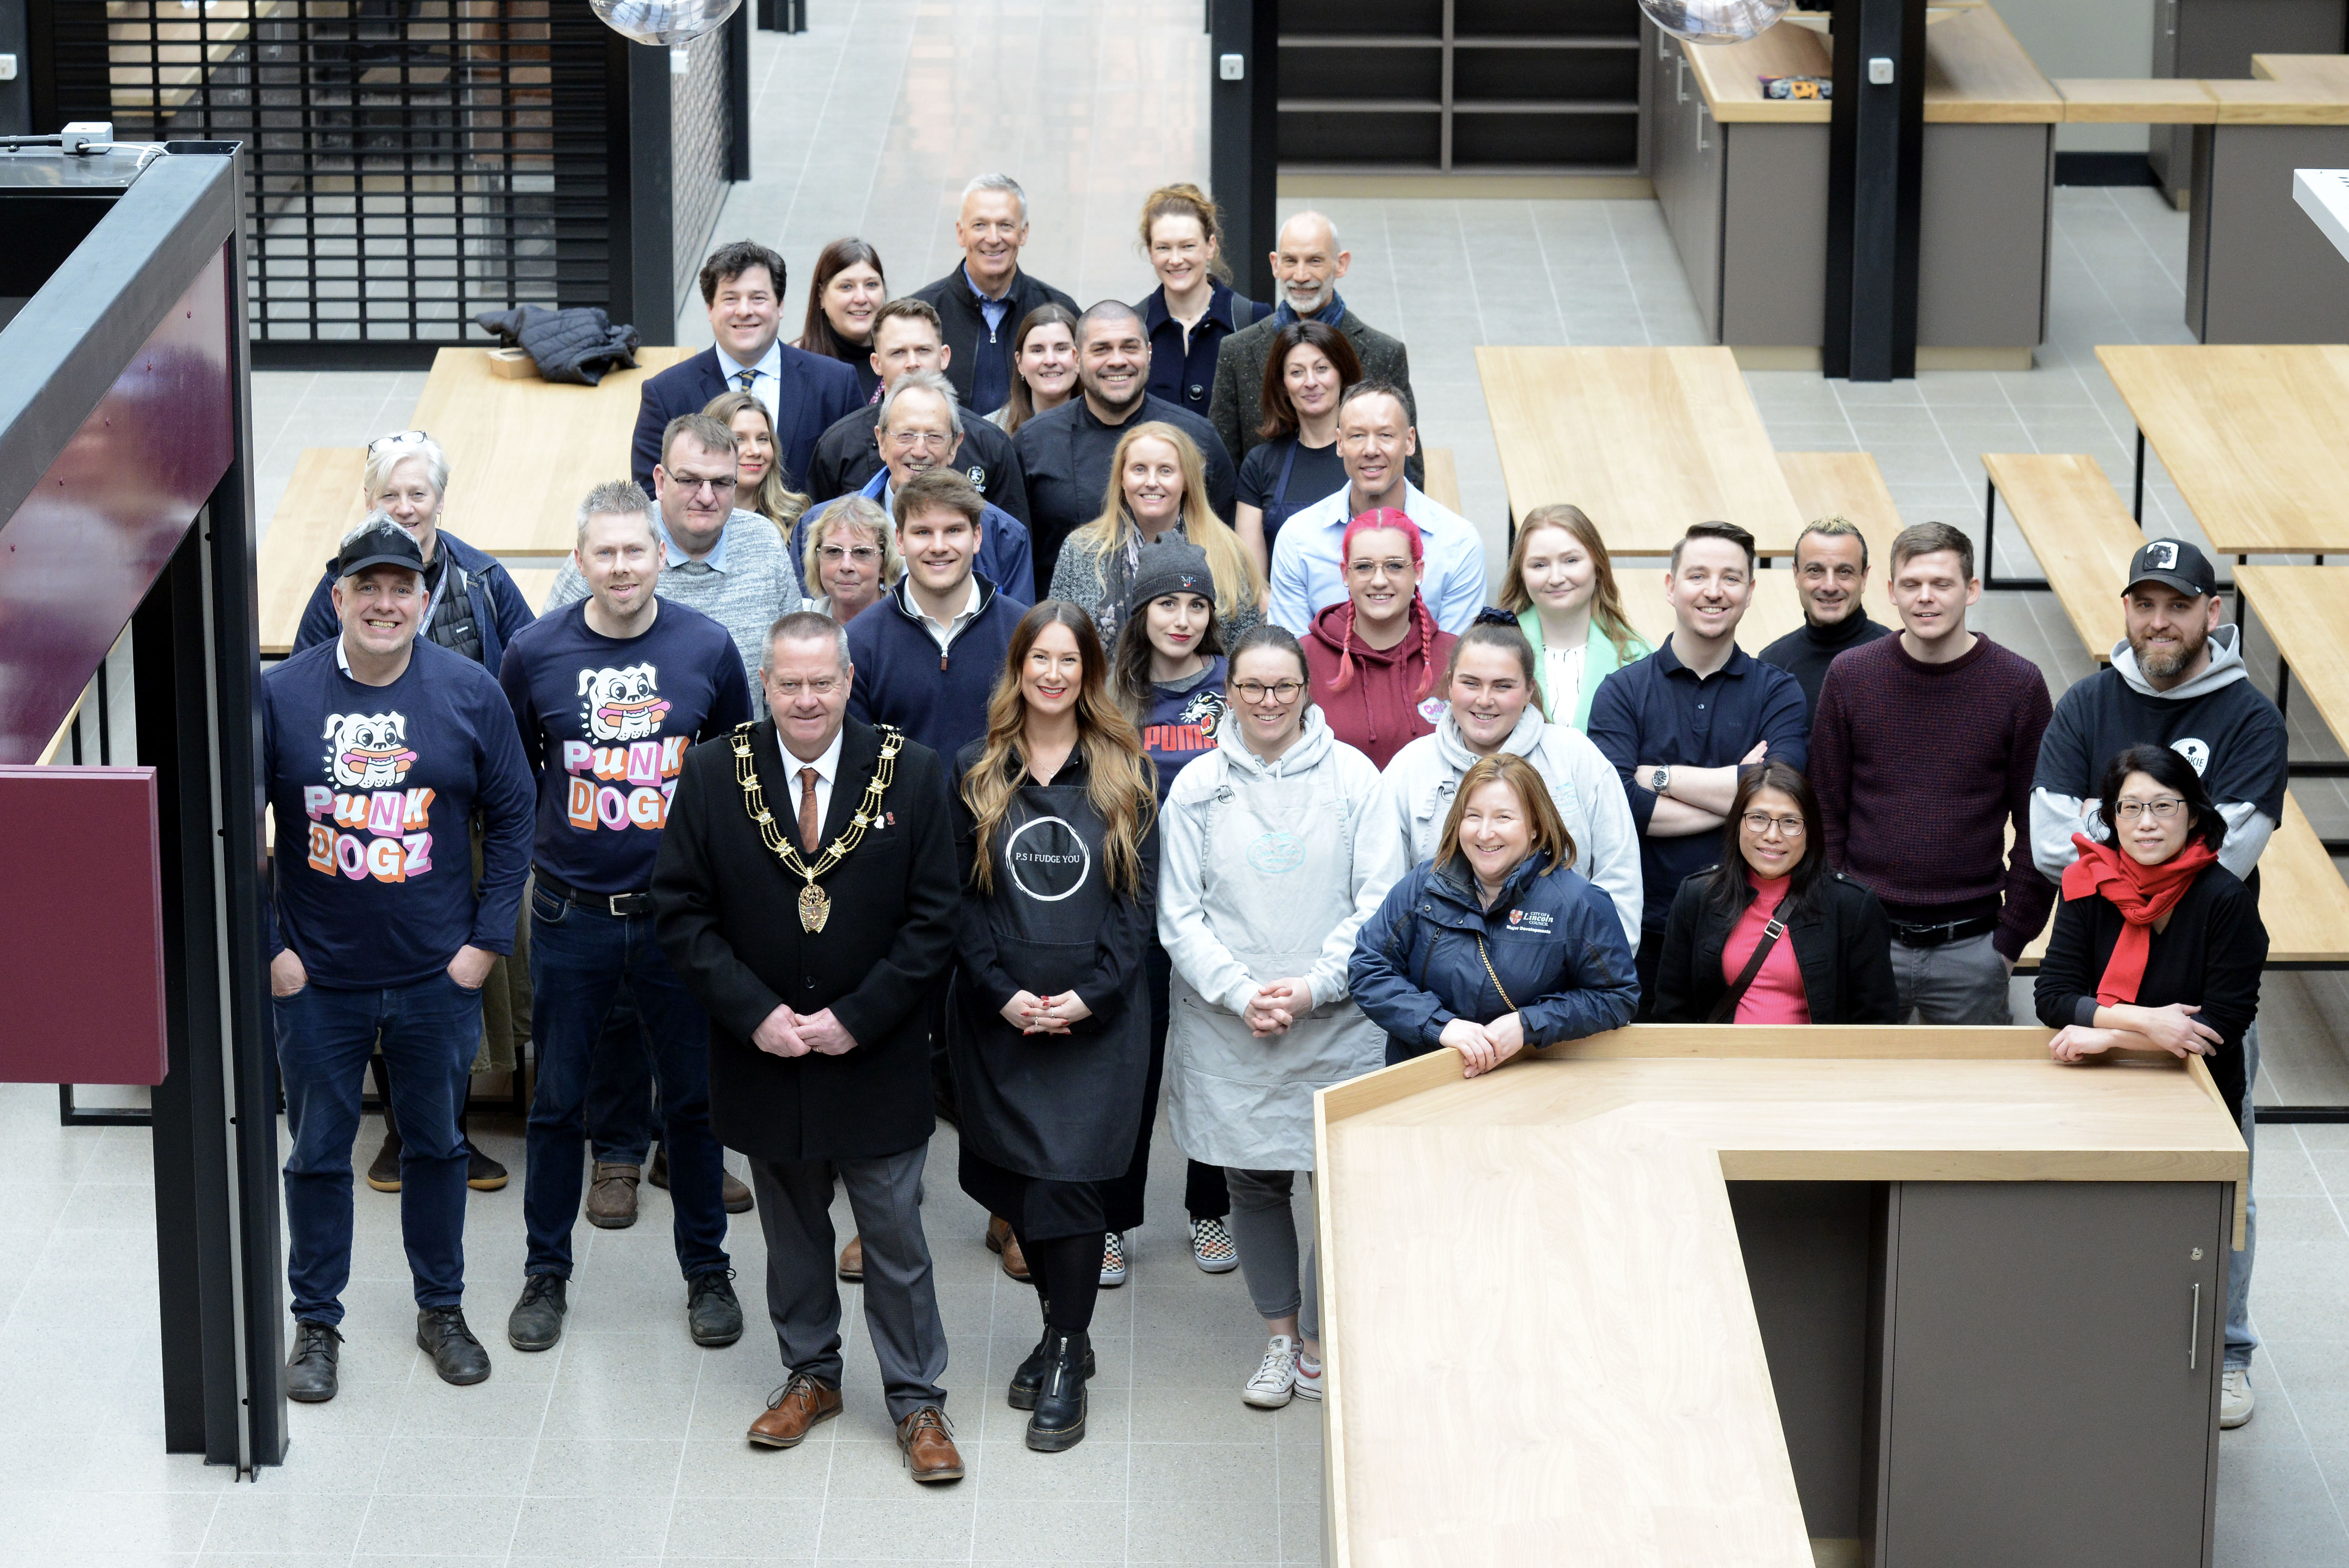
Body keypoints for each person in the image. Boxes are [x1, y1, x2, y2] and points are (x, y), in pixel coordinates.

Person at [652, 611, 966, 1483]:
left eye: (820, 682)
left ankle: (915, 1398)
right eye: (788, 683)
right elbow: (680, 909)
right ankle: (811, 1376)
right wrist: (754, 1012)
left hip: (876, 1053)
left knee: (894, 1234)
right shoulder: (716, 772)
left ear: (848, 680)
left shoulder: (913, 769)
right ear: (764, 681)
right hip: (765, 1054)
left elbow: (935, 915)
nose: (805, 698)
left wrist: (857, 1016)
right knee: (791, 1234)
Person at [267, 519, 534, 1402]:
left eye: (401, 588)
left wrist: (482, 947)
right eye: (366, 588)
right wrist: (273, 947)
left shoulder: (468, 692)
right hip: (318, 984)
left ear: (424, 600)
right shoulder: (281, 696)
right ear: (337, 597)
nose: (385, 603)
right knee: (316, 1155)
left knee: (436, 1147)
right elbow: (228, 826)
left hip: (435, 981)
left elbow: (514, 820)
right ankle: (315, 1323)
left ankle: (442, 1308)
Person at [2028, 537, 2285, 1430]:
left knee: (2223, 1175)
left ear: (2211, 614)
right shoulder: (2087, 700)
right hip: (2101, 985)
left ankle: (2227, 1349)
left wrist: (2116, 840)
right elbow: (2048, 845)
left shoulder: (2250, 717)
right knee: (2090, 1168)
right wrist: (2151, 834)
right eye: (2143, 603)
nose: (2157, 621)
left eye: (2176, 604)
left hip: (2207, 978)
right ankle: (2102, 1333)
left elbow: (2227, 855)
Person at [496, 484, 750, 1355]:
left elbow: (732, 771)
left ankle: (707, 1272)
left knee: (692, 1104)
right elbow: (515, 769)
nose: (619, 567)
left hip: (680, 918)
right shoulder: (533, 652)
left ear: (658, 555)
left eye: (633, 551)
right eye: (602, 553)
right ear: (579, 561)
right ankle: (545, 1272)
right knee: (557, 1103)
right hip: (571, 914)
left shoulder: (708, 648)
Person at [1161, 623, 1402, 1406]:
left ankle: (1324, 1342)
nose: (1268, 701)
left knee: (1337, 1181)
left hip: (1335, 1021)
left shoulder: (1355, 778)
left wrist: (1311, 987)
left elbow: (1378, 905)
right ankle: (1281, 1340)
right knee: (1255, 1182)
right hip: (1233, 1026)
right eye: (1252, 687)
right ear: (1227, 693)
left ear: (1308, 691)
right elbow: (1180, 915)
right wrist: (1242, 993)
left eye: (1284, 687)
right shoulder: (1197, 786)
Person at [294, 431, 536, 1195]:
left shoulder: (485, 577)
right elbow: (303, 683)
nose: (406, 506)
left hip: (459, 814)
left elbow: (526, 665)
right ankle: (400, 1133)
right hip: (366, 817)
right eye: (390, 494)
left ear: (440, 500)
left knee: (455, 981)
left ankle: (448, 1130)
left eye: (418, 493)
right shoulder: (335, 589)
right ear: (371, 502)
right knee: (375, 954)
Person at [946, 601, 1160, 1452]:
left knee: (1070, 1187)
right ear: (1018, 666)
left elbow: (1137, 911)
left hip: (1095, 1026)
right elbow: (959, 899)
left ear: (1090, 671)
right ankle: (1059, 1330)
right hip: (1002, 1018)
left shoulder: (1126, 772)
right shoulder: (976, 770)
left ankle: (1067, 1353)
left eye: (1069, 659)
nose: (1053, 672)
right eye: (1039, 656)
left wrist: (1089, 999)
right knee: (1027, 1186)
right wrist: (999, 991)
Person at [2038, 742, 2268, 1426]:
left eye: (2161, 805)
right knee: (2107, 1228)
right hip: (2099, 1088)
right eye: (2129, 807)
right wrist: (2141, 1023)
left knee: (2200, 1229)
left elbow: (2219, 1021)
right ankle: (2104, 1355)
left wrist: (2105, 1031)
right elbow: (2053, 993)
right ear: (2111, 816)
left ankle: (2218, 1361)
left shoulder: (2224, 898)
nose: (2145, 821)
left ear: (2191, 813)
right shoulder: (2084, 884)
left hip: (2194, 1092)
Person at [1808, 522, 2054, 1024]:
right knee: (1860, 1092)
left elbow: (2039, 824)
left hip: (1973, 947)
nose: (1925, 598)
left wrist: (2009, 942)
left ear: (1971, 590)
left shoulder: (2018, 685)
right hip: (1866, 938)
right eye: (1911, 584)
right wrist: (1835, 919)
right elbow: (1825, 811)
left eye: (1941, 584)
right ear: (1891, 592)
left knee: (1967, 1099)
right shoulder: (1852, 676)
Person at [1586, 522, 1810, 1015]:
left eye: (1731, 578)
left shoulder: (1779, 691)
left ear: (1751, 592)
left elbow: (1779, 797)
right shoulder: (1621, 692)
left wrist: (1658, 777)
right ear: (1671, 587)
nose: (1714, 591)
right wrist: (1739, 793)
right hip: (1643, 930)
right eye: (1698, 576)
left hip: (1752, 931)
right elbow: (1619, 803)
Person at [1105, 542, 1241, 1279]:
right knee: (1135, 1064)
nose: (1183, 619)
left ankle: (1210, 1209)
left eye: (1196, 605)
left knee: (1210, 1061)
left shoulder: (1232, 687)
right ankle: (1113, 1219)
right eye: (1166, 603)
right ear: (1141, 612)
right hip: (1136, 908)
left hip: (1220, 909)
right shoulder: (1115, 694)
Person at [1350, 753, 1639, 1074]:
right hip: (1425, 1080)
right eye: (1473, 816)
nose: (1485, 833)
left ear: (1534, 827)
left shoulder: (1578, 903)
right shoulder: (1423, 885)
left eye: (1503, 818)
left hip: (1530, 1084)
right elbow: (1368, 968)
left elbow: (1616, 997)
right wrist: (1439, 1026)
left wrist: (1526, 1024)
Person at [1377, 620, 1642, 950]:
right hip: (1436, 985)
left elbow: (1620, 878)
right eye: (1470, 683)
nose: (1485, 700)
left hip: (1560, 987)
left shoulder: (1577, 758)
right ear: (1449, 684)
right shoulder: (1410, 767)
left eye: (1503, 686)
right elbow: (1383, 891)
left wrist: (1599, 982)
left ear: (1529, 690)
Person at [548, 414, 806, 702]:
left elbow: (793, 666)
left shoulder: (764, 542)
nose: (706, 497)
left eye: (721, 482)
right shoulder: (610, 547)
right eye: (690, 480)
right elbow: (547, 657)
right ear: (660, 481)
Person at [1013, 300, 1240, 601]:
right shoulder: (1032, 443)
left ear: (1149, 354)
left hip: (1183, 628)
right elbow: (1015, 560)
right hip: (1068, 631)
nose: (1117, 360)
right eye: (1102, 349)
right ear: (1078, 359)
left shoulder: (1198, 438)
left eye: (1129, 347)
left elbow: (1225, 543)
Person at [1651, 761, 1898, 1024]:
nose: (1772, 835)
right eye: (1758, 818)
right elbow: (1671, 1012)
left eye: (1790, 822)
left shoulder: (1852, 906)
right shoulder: (1698, 895)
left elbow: (1876, 1023)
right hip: (1722, 1062)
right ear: (1737, 824)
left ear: (1810, 833)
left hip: (1814, 1064)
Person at [631, 241, 861, 496]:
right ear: (710, 308)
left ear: (780, 305)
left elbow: (858, 487)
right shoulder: (666, 394)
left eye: (758, 298)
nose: (744, 311)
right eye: (730, 299)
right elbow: (652, 495)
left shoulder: (836, 383)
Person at [1208, 211, 1420, 487]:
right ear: (1275, 265)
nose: (1300, 275)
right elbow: (1221, 471)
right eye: (1290, 261)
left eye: (1315, 261)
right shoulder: (1237, 352)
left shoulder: (1384, 354)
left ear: (1341, 264)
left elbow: (1410, 471)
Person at [796, 369, 1033, 606]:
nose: (920, 451)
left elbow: (1017, 634)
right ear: (881, 441)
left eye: (934, 437)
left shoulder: (1003, 535)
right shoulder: (818, 527)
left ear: (955, 445)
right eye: (906, 435)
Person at [1267, 382, 1484, 636]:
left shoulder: (1458, 543)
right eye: (1357, 436)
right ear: (1339, 443)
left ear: (1410, 442)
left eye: (1386, 435)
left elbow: (1452, 661)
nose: (1371, 450)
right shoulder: (1297, 538)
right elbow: (1290, 657)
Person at [844, 467, 1027, 767]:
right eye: (923, 532)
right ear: (900, 540)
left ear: (977, 537)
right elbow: (856, 764)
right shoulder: (859, 642)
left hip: (1002, 811)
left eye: (954, 530)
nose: (939, 547)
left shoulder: (1024, 633)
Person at [801, 297, 1030, 525]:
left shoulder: (990, 444)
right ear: (876, 363)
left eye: (923, 350)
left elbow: (1010, 540)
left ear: (944, 357)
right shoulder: (839, 444)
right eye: (898, 352)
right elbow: (818, 537)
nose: (912, 363)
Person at [1048, 421, 1263, 647]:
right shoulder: (1081, 550)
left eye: (1166, 471)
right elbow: (1056, 640)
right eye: (1139, 469)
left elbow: (1245, 652)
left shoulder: (1228, 552)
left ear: (1187, 481)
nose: (1151, 482)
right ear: (1121, 478)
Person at [1301, 508, 1457, 769]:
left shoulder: (1454, 655)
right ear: (1345, 573)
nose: (1379, 581)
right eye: (1364, 567)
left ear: (1418, 572)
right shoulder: (1305, 658)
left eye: (1395, 566)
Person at [912, 173, 1079, 417]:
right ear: (961, 233)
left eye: (1005, 226)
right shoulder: (923, 313)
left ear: (1024, 233)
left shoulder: (1059, 310)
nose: (993, 239)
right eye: (980, 225)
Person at [1499, 504, 1650, 733]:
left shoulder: (1641, 657)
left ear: (1597, 566)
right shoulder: (1491, 648)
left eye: (1571, 561)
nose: (1557, 578)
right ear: (1521, 574)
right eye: (1539, 565)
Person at [1234, 320, 1362, 571]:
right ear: (1283, 385)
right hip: (1279, 610)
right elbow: (1253, 581)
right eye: (1297, 372)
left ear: (1342, 375)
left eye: (1322, 368)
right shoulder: (1260, 464)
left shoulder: (1374, 456)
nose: (1311, 382)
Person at [1135, 182, 1268, 420]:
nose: (1176, 260)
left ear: (1210, 247)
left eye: (1188, 246)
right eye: (1164, 248)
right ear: (1151, 251)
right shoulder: (1134, 326)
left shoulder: (1254, 320)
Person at [1758, 517, 1891, 721]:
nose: (1830, 586)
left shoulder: (1897, 660)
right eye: (1815, 571)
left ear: (1864, 578)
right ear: (1796, 575)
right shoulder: (1772, 665)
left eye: (1844, 572)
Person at [703, 387, 813, 538]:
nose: (755, 451)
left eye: (762, 439)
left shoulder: (797, 522)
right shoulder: (690, 518)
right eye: (739, 439)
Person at [795, 237, 888, 402]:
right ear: (821, 296)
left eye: (871, 285)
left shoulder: (905, 360)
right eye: (846, 287)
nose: (861, 298)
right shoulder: (795, 363)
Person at [797, 494, 900, 624]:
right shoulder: (800, 623)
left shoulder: (906, 630)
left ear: (884, 564)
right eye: (834, 551)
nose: (846, 566)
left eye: (862, 552)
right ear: (817, 560)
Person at [987, 303, 1080, 436]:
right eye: (1037, 350)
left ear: (1079, 358)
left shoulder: (1104, 426)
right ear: (1020, 362)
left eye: (1061, 349)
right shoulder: (991, 432)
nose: (1050, 361)